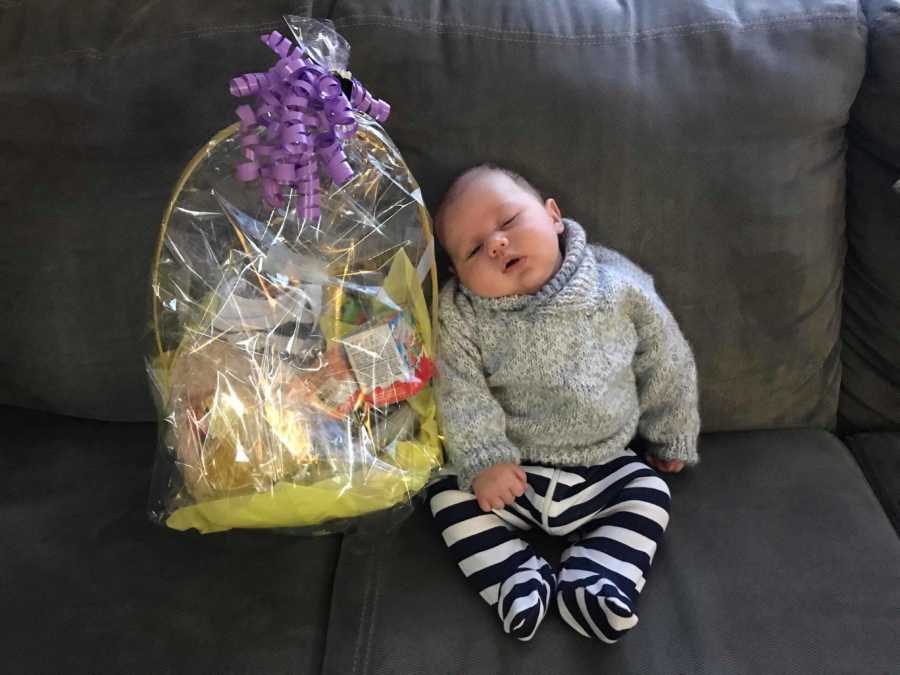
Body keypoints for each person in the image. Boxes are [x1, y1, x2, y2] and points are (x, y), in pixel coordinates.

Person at [428, 163, 700, 643]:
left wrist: (671, 431)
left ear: (553, 216)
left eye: (509, 222)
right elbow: (458, 388)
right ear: (459, 274)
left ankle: (596, 579)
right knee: (445, 493)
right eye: (473, 249)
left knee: (651, 494)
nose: (496, 244)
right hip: (513, 476)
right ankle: (515, 576)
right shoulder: (460, 314)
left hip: (606, 464)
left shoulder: (617, 285)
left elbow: (666, 357)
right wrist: (485, 460)